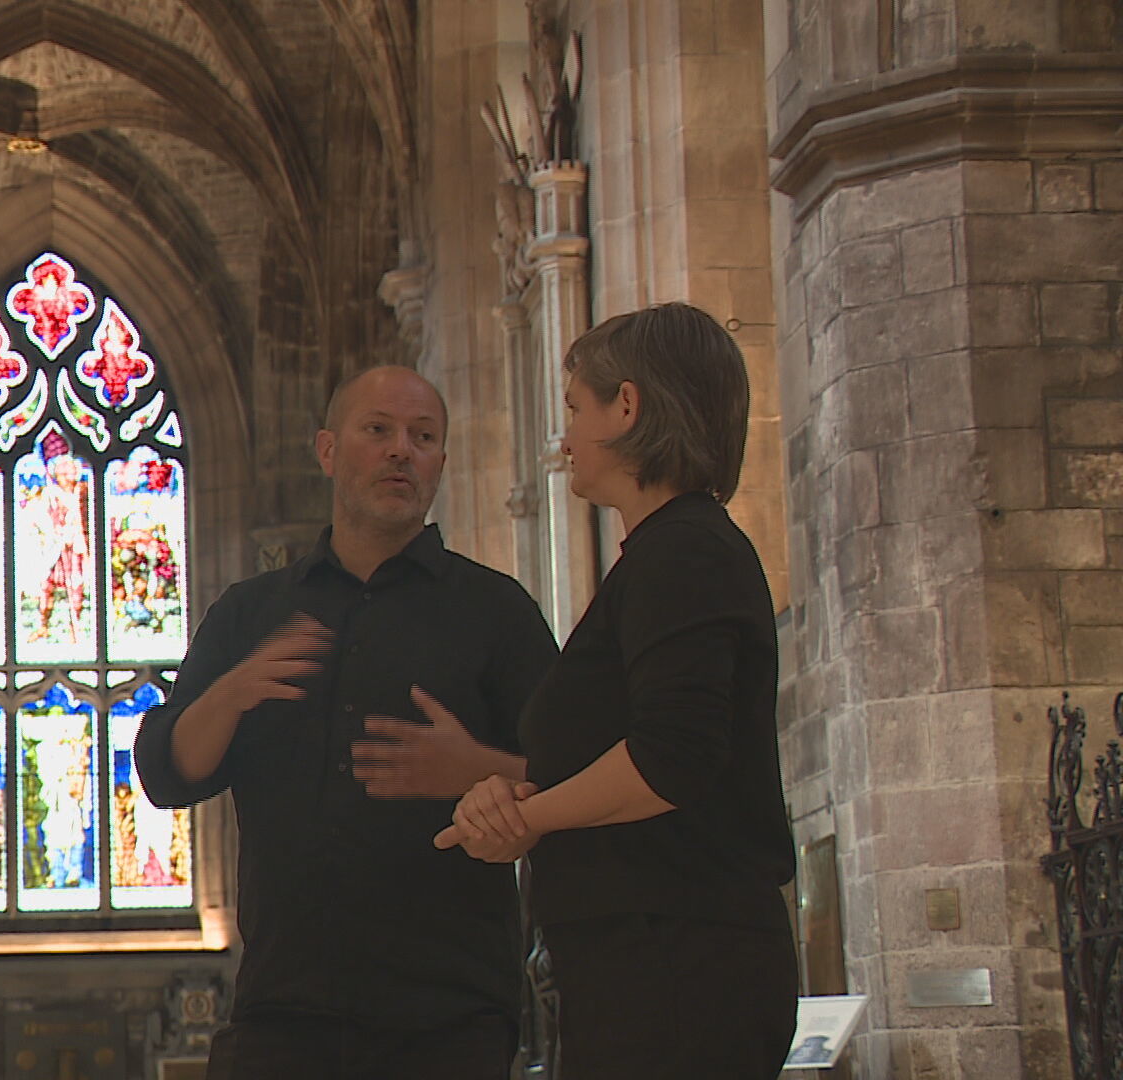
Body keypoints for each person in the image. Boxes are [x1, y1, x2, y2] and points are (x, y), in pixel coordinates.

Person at [134, 366, 558, 1079]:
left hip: (449, 1015)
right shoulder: (252, 612)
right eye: (379, 431)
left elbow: (568, 778)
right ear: (329, 451)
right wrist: (230, 692)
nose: (402, 451)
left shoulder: (496, 611)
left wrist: (472, 767)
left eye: (423, 438)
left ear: (441, 465)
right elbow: (167, 774)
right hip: (284, 1006)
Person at [436, 302, 798, 1077]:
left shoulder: (687, 554)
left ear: (626, 408)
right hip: (644, 959)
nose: (562, 440)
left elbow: (672, 757)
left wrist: (526, 819)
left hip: (678, 965)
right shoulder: (661, 557)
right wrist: (514, 794)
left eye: (574, 407)